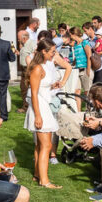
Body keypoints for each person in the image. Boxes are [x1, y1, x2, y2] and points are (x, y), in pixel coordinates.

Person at [24, 38, 72, 188]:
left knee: (40, 145)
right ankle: (44, 181)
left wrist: (52, 86)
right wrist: (38, 115)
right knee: (46, 145)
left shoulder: (42, 66)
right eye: (52, 52)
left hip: (43, 104)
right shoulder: (37, 68)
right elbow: (34, 93)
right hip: (40, 108)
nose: (54, 54)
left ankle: (38, 175)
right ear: (44, 51)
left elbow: (41, 89)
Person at [70, 26, 91, 92]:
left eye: (70, 34)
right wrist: (71, 65)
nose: (70, 36)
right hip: (77, 69)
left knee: (87, 91)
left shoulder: (84, 42)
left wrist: (88, 70)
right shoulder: (76, 44)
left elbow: (89, 56)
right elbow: (77, 56)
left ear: (74, 34)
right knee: (76, 90)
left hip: (85, 68)